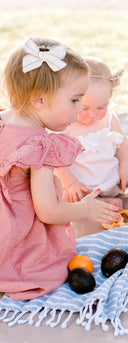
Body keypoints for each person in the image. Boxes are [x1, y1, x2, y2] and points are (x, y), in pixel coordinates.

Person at [0, 38, 121, 300]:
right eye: (75, 100)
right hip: (12, 234)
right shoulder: (40, 145)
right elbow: (48, 211)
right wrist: (85, 209)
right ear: (40, 100)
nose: (79, 111)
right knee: (48, 266)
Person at [55, 57, 128, 210]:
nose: (92, 115)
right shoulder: (65, 125)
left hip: (114, 178)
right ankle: (101, 203)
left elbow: (123, 146)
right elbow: (58, 162)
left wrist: (126, 169)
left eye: (101, 107)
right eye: (85, 108)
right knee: (57, 192)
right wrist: (71, 183)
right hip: (82, 186)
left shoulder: (110, 118)